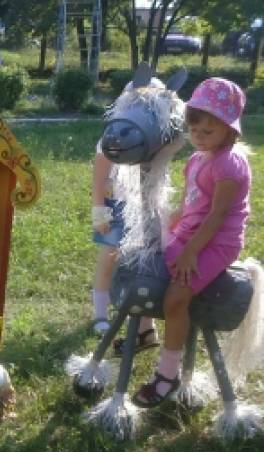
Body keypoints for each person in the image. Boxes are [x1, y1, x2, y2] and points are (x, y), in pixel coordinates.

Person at [133, 77, 251, 408]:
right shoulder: (197, 159)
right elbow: (189, 206)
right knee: (145, 261)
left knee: (176, 297)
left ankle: (167, 375)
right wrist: (165, 226)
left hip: (217, 241)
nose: (199, 136)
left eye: (208, 131)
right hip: (192, 231)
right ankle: (142, 330)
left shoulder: (229, 164)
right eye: (194, 129)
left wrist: (189, 253)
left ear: (229, 129)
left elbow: (216, 216)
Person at [90, 80, 161, 353]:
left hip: (144, 211)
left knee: (143, 265)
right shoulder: (112, 138)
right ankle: (100, 314)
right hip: (116, 208)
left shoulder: (155, 139)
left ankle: (144, 323)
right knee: (109, 259)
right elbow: (99, 180)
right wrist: (100, 212)